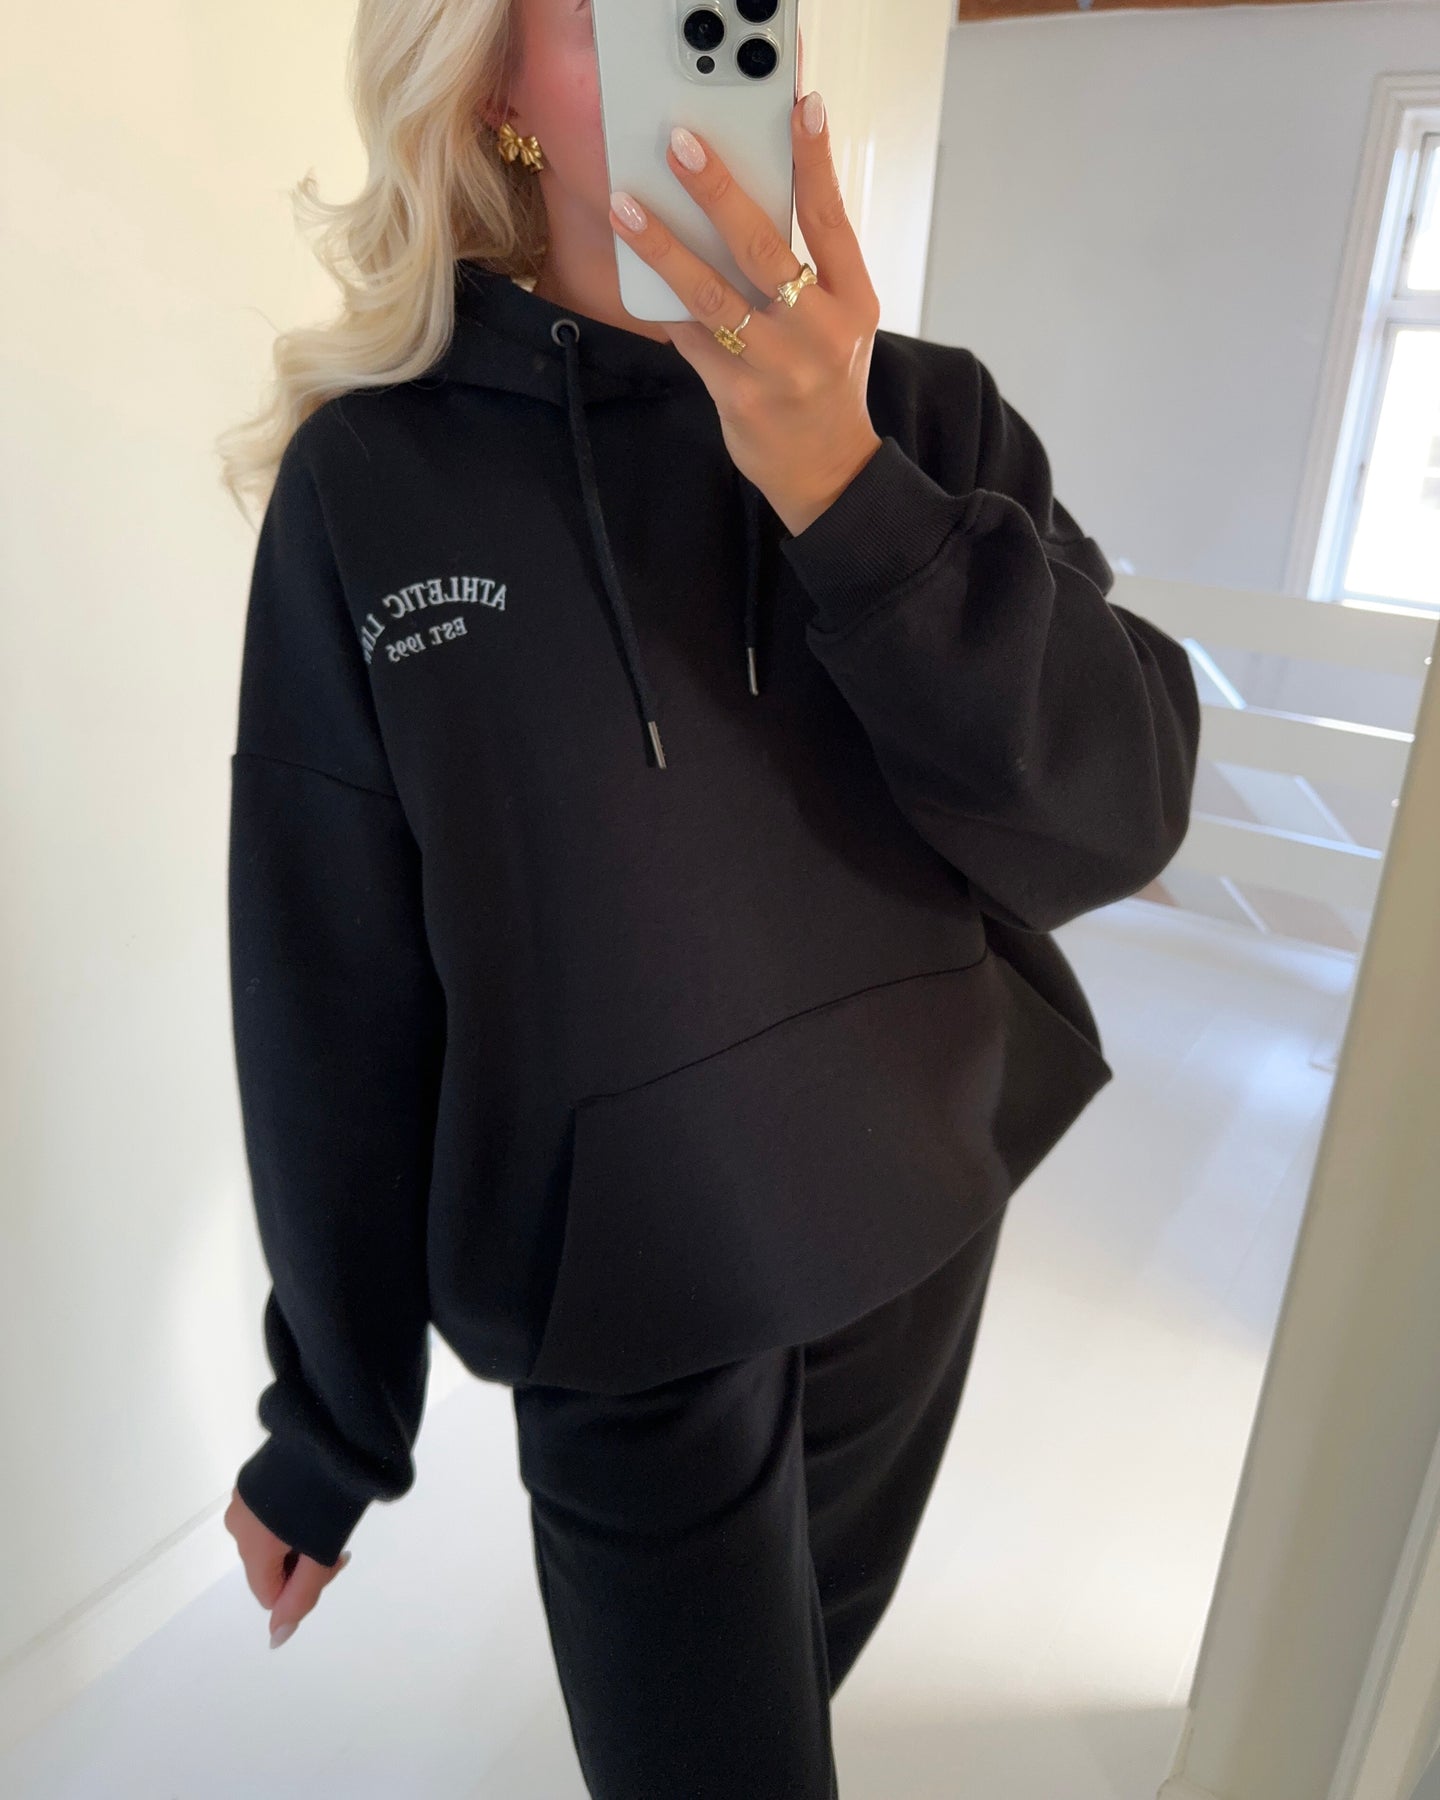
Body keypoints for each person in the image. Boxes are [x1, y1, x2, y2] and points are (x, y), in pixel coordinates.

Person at [217, 0, 1202, 1792]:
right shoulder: (376, 484)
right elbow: (330, 982)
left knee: (791, 1699)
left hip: (918, 1212)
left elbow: (1117, 817)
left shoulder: (927, 415)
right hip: (633, 1304)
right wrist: (330, 1422)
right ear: (494, 86)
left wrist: (846, 486)